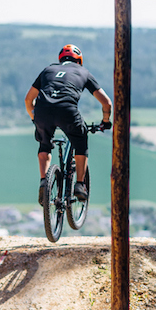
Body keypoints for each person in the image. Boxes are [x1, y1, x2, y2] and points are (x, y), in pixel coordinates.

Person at [25, 44, 112, 205]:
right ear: (79, 60)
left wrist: (34, 118)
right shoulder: (84, 72)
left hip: (42, 112)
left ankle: (44, 181)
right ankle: (79, 185)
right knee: (80, 141)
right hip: (67, 112)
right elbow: (106, 103)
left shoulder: (47, 70)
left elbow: (28, 100)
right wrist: (105, 122)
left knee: (44, 144)